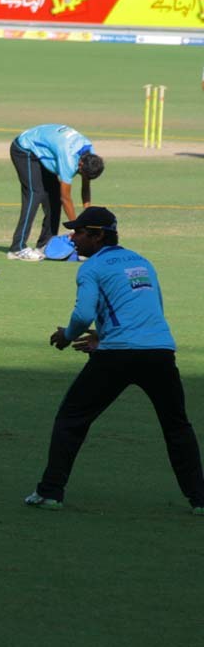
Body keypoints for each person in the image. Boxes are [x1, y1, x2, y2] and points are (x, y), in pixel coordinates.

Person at [26, 207, 204, 515]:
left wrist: (68, 336)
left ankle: (50, 492)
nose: (72, 238)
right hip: (159, 352)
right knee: (177, 427)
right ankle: (200, 499)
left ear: (97, 236)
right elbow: (151, 310)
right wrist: (103, 337)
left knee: (71, 419)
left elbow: (82, 315)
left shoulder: (92, 267)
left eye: (79, 232)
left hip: (118, 356)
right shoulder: (142, 262)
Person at [8, 124, 104, 262]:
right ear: (80, 165)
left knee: (53, 197)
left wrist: (87, 219)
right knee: (35, 193)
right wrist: (77, 229)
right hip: (25, 149)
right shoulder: (69, 159)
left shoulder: (90, 154)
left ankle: (45, 243)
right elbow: (66, 198)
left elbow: (85, 187)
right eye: (81, 173)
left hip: (44, 153)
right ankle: (17, 248)